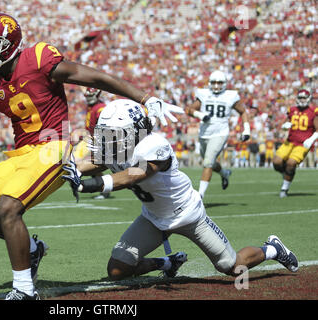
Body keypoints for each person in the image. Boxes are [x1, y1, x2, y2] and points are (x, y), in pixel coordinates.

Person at [0, 13, 184, 300]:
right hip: (21, 152)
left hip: (54, 145)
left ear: (8, 43)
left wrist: (144, 97)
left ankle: (23, 289)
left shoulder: (37, 58)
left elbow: (95, 77)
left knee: (9, 207)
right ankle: (33, 252)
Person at [62, 99, 299, 282]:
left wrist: (92, 184)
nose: (108, 139)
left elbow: (134, 174)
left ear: (134, 132)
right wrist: (72, 169)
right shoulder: (119, 145)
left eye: (114, 134)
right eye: (106, 133)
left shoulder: (155, 146)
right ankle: (167, 263)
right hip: (153, 218)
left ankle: (272, 249)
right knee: (117, 269)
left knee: (231, 267)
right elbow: (91, 162)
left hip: (188, 215)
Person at [185, 70, 251, 199]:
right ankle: (224, 173)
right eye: (214, 82)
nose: (216, 86)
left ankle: (200, 196)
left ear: (225, 83)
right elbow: (189, 110)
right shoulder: (203, 94)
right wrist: (200, 115)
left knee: (208, 163)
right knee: (209, 162)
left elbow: (243, 111)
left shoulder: (230, 96)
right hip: (204, 133)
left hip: (220, 133)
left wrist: (246, 129)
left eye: (219, 83)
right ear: (209, 83)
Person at [273, 88, 318, 198]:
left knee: (291, 163)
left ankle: (284, 188)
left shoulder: (313, 111)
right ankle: (287, 174)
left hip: (303, 144)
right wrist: (284, 126)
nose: (302, 100)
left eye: (304, 98)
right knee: (276, 162)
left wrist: (311, 139)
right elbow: (287, 123)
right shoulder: (292, 109)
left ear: (308, 99)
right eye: (300, 98)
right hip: (290, 141)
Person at [73, 87, 109, 199]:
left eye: (90, 96)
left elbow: (104, 126)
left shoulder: (101, 108)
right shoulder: (92, 107)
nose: (88, 98)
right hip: (90, 138)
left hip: (97, 140)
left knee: (86, 164)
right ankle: (105, 189)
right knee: (88, 165)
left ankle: (105, 187)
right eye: (87, 96)